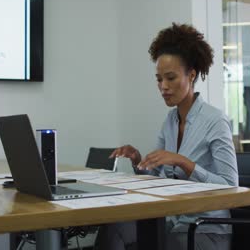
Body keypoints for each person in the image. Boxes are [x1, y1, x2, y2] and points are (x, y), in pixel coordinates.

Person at [95, 23, 238, 250]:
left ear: (191, 75)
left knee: (152, 243)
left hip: (206, 229)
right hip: (173, 222)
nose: (163, 87)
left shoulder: (215, 121)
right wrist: (137, 159)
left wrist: (183, 162)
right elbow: (158, 178)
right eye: (159, 79)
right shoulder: (170, 122)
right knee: (114, 228)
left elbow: (231, 187)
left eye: (170, 78)